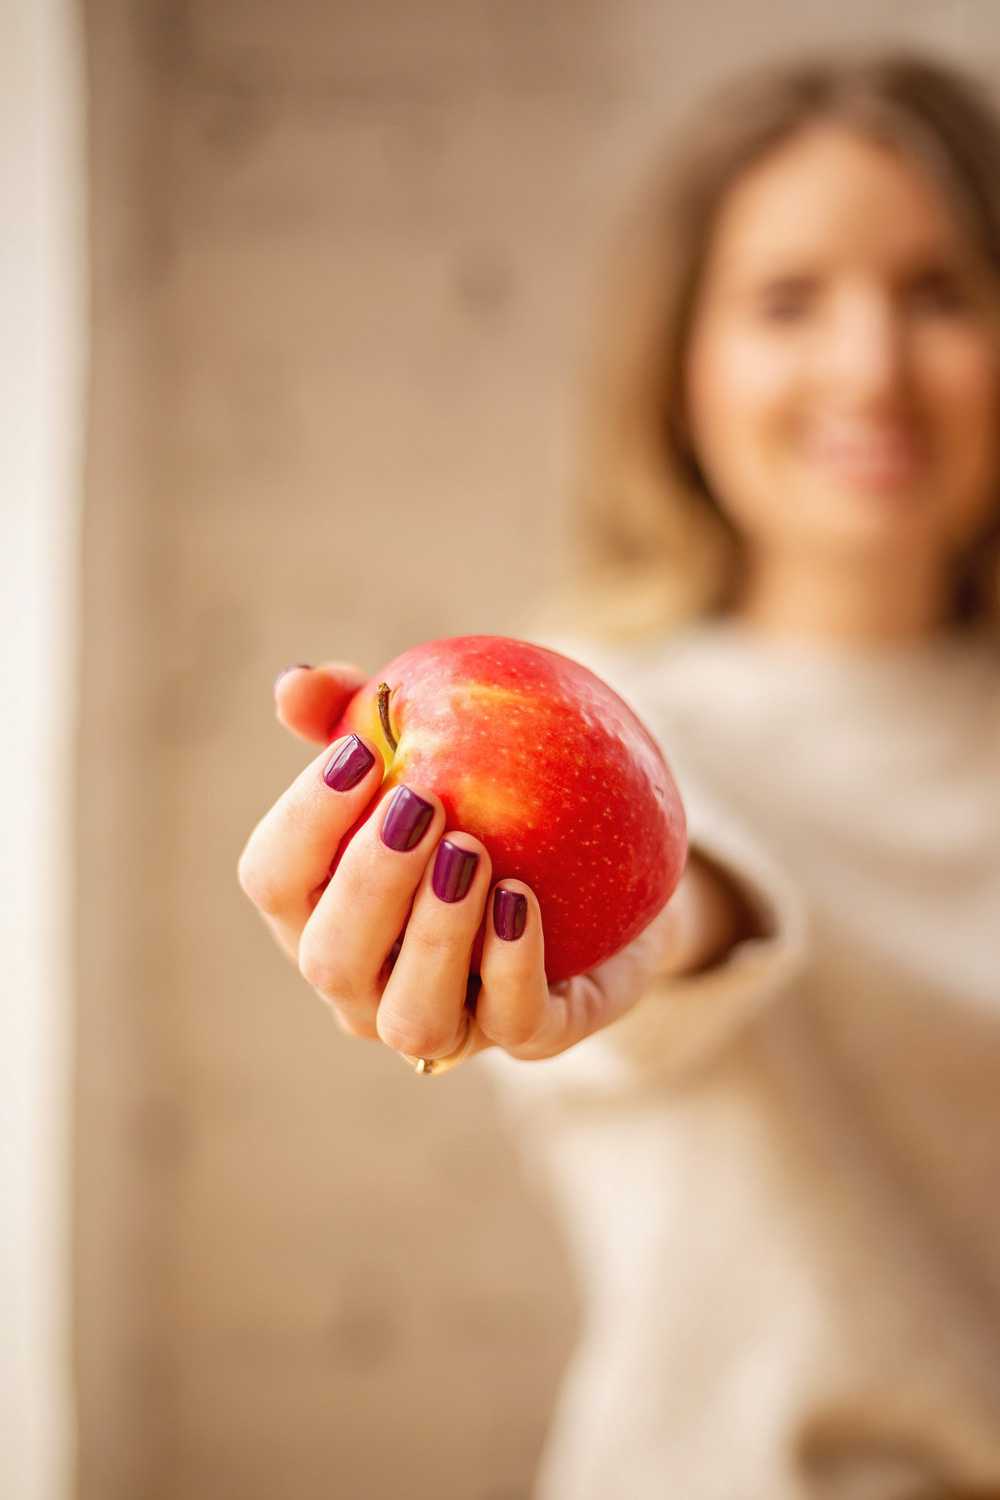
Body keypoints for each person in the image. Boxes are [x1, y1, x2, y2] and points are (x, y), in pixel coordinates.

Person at [238, 52, 1000, 1500]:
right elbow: (691, 902)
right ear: (683, 366)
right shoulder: (616, 719)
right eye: (789, 302)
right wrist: (637, 908)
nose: (869, 365)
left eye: (941, 291)